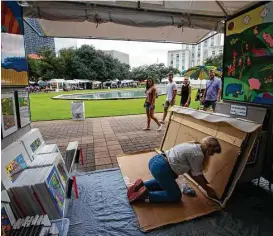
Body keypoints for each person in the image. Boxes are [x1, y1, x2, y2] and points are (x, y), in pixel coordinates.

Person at [127, 136, 222, 204]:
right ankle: (145, 196)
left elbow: (192, 171)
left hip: (156, 161)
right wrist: (208, 189)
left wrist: (204, 183)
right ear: (209, 147)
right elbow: (196, 175)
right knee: (175, 196)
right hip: (162, 169)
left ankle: (140, 186)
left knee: (165, 183)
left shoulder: (192, 145)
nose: (212, 155)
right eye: (213, 152)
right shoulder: (198, 155)